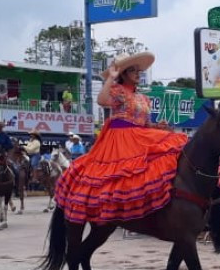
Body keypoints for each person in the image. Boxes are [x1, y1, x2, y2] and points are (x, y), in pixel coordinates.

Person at [53, 51, 188, 223]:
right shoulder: (119, 91)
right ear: (124, 74)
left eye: (139, 71)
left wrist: (158, 126)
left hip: (140, 135)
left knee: (170, 147)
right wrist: (111, 77)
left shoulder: (144, 98)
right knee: (118, 175)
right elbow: (102, 100)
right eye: (133, 70)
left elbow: (146, 123)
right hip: (120, 138)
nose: (138, 74)